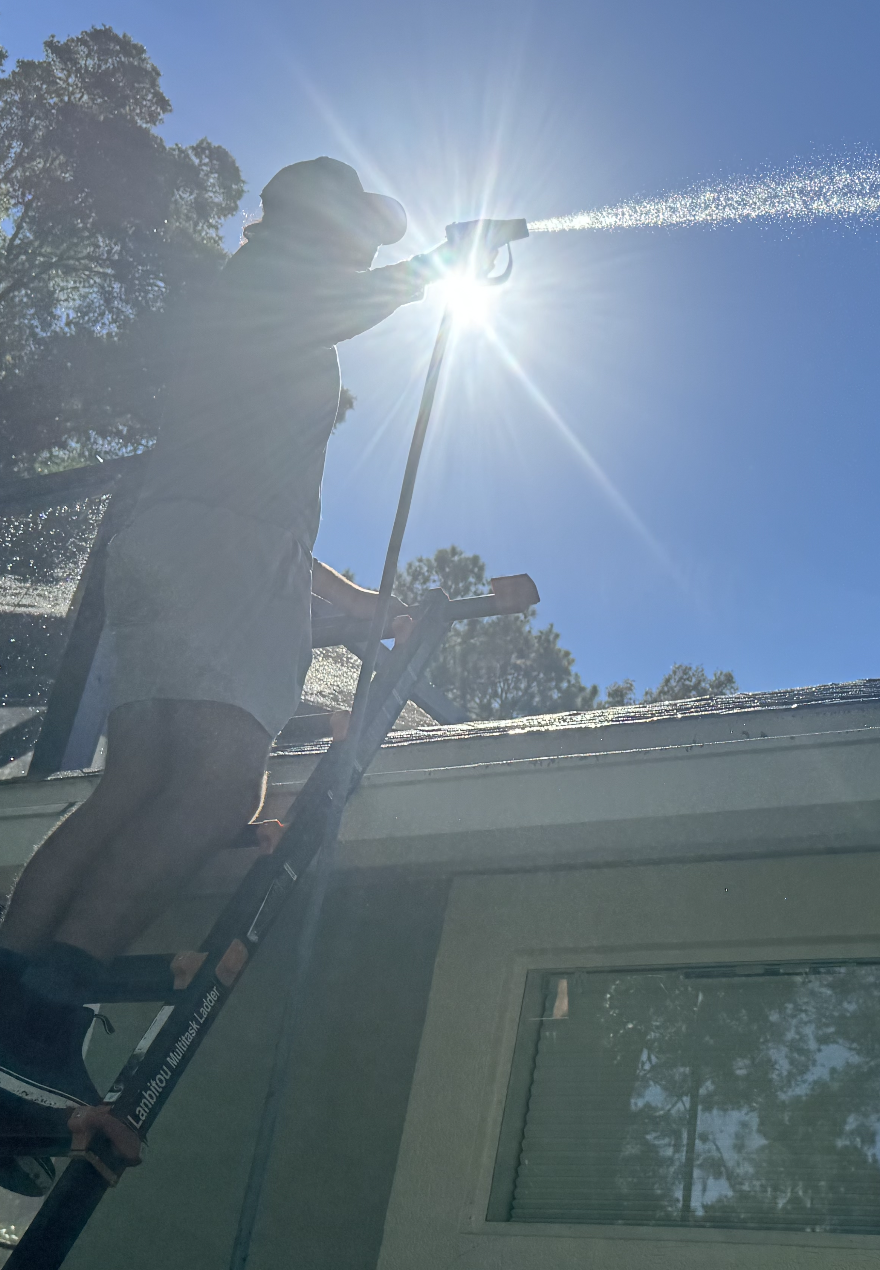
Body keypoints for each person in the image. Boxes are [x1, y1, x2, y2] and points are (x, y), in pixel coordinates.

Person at [0, 157, 480, 1136]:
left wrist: (359, 601)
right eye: (362, 231)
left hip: (185, 542)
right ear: (318, 219)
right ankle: (45, 1007)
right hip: (217, 547)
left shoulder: (252, 301)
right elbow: (257, 508)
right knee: (220, 788)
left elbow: (259, 521)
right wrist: (442, 264)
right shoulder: (273, 281)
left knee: (136, 784)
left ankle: (13, 1005)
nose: (367, 246)